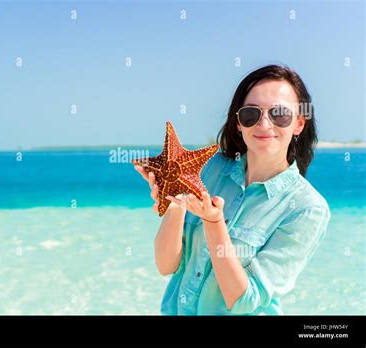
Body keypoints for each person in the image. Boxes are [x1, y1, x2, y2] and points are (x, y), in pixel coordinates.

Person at [134, 64, 331, 315]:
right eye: (251, 114)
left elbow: (243, 300)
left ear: (299, 124)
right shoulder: (207, 169)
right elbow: (166, 266)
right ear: (239, 123)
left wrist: (214, 222)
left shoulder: (307, 208)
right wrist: (173, 205)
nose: (264, 123)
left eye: (279, 114)